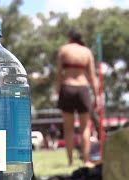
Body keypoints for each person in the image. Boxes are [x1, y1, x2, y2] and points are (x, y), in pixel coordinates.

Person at [56, 29, 99, 167]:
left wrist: (57, 89)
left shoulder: (64, 49)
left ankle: (70, 161)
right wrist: (97, 95)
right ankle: (86, 160)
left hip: (67, 87)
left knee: (68, 128)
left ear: (69, 37)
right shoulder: (86, 52)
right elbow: (92, 76)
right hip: (82, 89)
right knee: (85, 128)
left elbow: (58, 73)